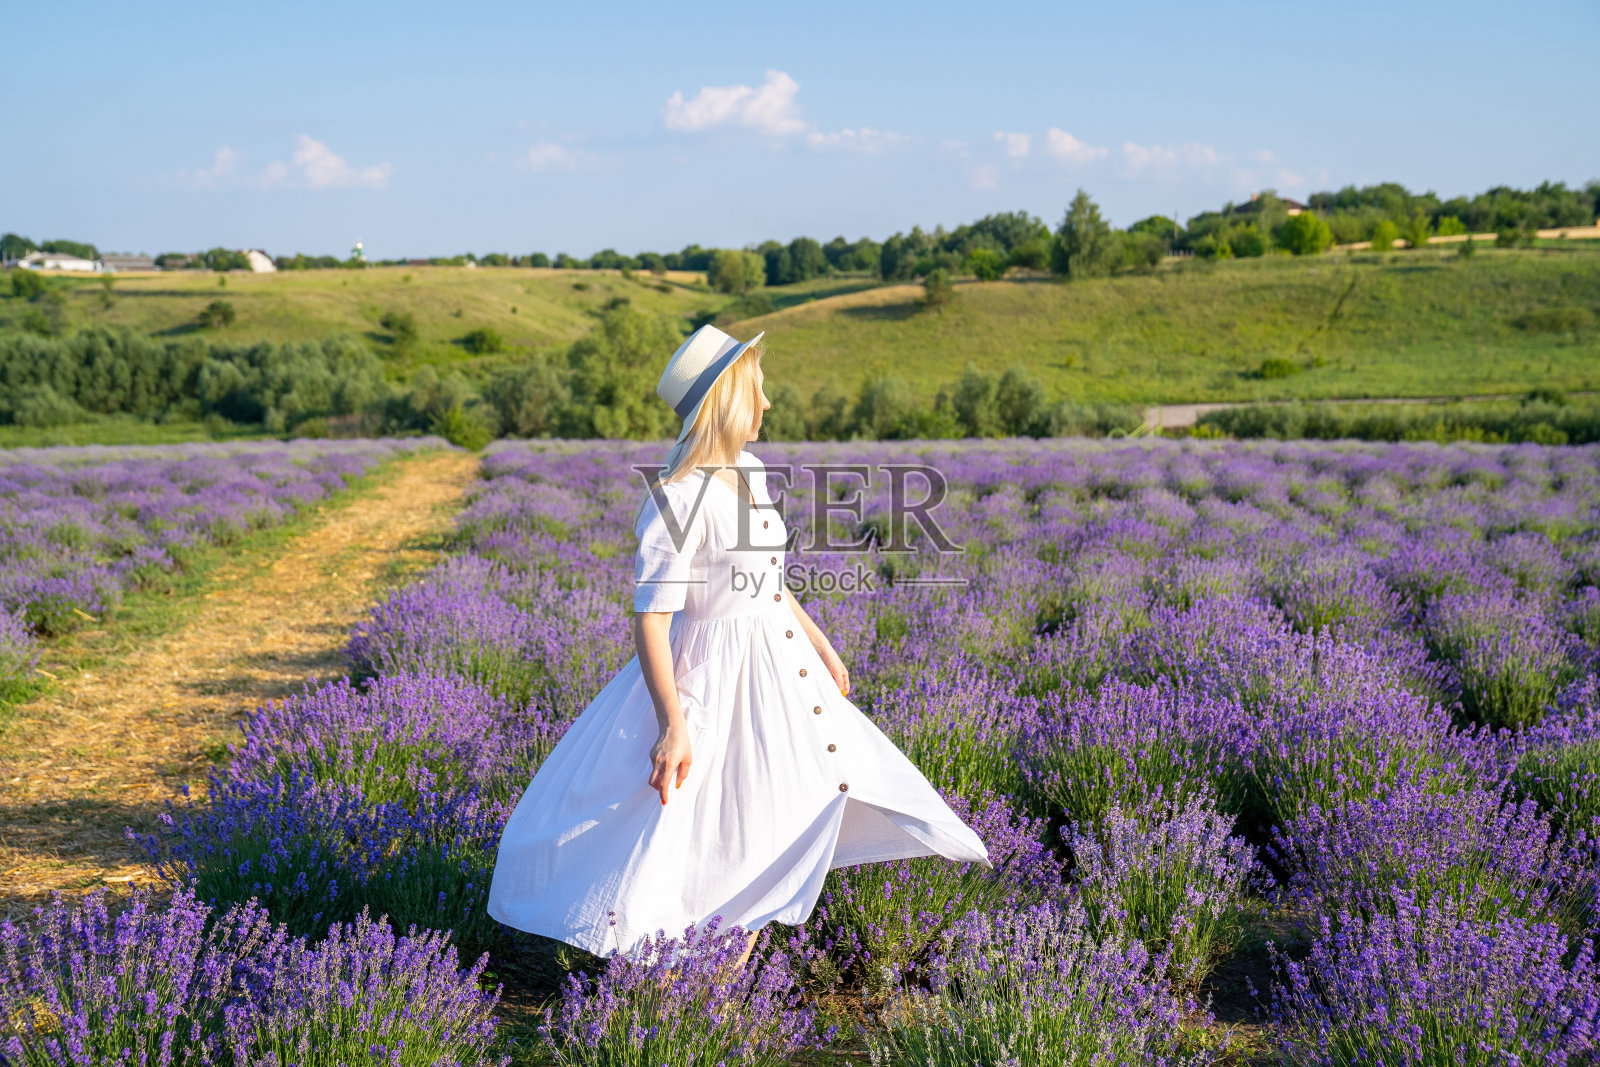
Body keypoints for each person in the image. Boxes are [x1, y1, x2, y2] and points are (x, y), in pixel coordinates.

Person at [486, 323, 990, 964]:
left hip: (776, 673)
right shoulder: (677, 497)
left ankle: (717, 1002)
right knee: (699, 840)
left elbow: (767, 582)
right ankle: (680, 1003)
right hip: (713, 681)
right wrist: (672, 723)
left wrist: (821, 644)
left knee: (770, 826)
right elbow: (652, 619)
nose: (769, 403)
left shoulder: (749, 472)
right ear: (726, 397)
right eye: (759, 388)